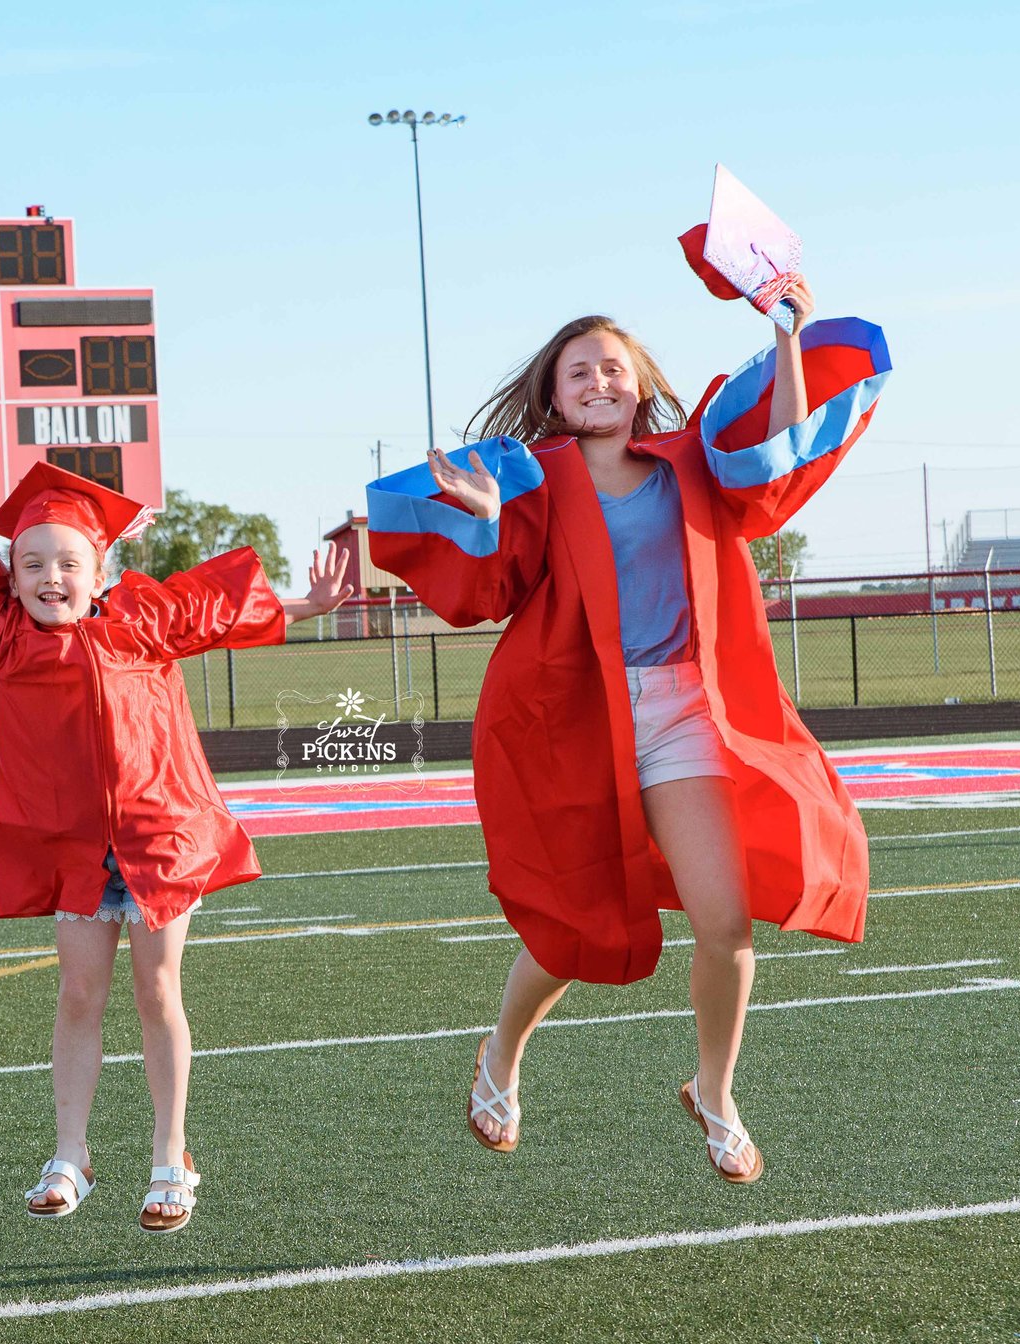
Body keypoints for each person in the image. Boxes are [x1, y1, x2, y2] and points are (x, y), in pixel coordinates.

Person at [366, 278, 890, 1183]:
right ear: (554, 399)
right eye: (579, 373)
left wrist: (789, 334)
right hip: (579, 718)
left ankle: (714, 1091)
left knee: (724, 922)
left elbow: (783, 453)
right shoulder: (530, 480)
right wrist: (486, 524)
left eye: (613, 365)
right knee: (578, 922)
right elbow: (482, 595)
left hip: (684, 710)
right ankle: (502, 1052)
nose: (599, 381)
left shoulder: (694, 460)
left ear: (639, 379)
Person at [0, 413, 354, 1231]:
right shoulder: (0, 636)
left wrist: (307, 605)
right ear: (11, 575)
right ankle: (71, 1152)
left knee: (157, 990)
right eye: (31, 563)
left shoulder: (142, 621)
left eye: (68, 561)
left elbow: (221, 612)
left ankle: (172, 1156)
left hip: (156, 840)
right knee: (78, 995)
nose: (49, 576)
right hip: (72, 851)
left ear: (100, 566)